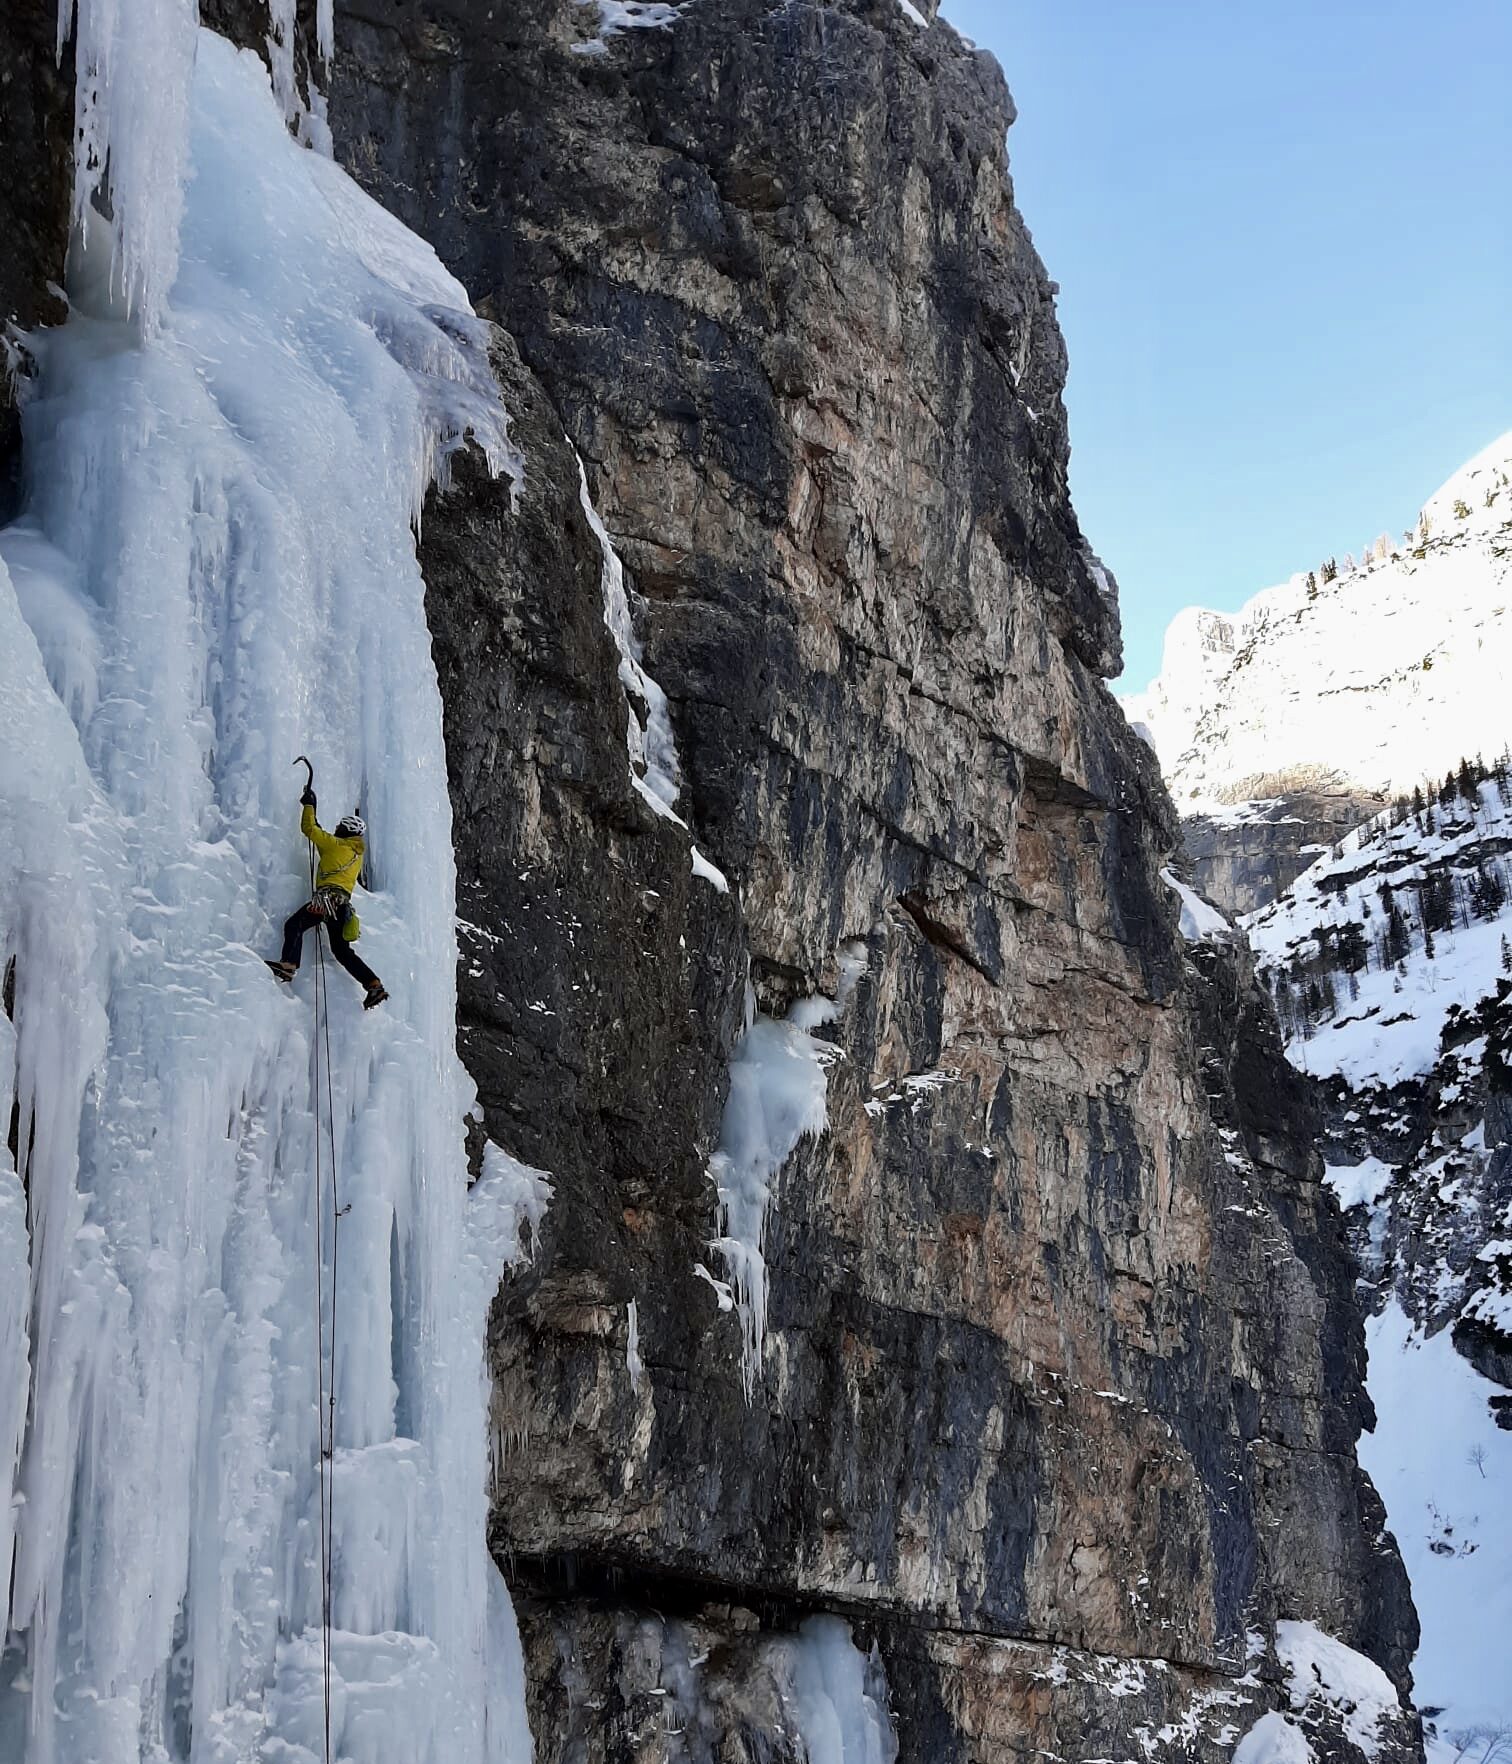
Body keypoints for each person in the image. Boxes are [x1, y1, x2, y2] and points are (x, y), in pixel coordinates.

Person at [267, 782, 388, 1009]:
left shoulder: (336, 845)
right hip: (341, 906)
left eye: (341, 827)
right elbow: (326, 844)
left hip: (326, 901)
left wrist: (309, 806)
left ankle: (289, 964)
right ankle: (373, 984)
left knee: (294, 925)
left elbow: (310, 831)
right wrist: (318, 823)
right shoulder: (354, 852)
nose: (337, 828)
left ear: (347, 830)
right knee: (342, 951)